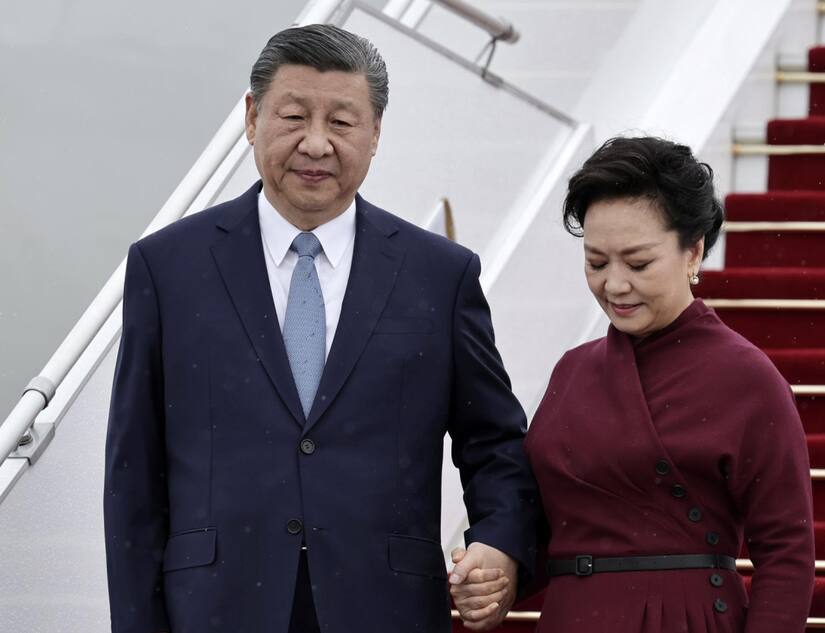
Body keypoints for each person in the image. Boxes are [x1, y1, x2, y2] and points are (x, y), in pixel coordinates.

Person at [103, 24, 538, 633]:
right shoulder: (168, 267)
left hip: (386, 608)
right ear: (253, 118)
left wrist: (499, 540)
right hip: (215, 607)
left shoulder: (440, 275)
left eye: (341, 122)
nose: (316, 144)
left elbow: (493, 441)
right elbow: (133, 473)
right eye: (293, 116)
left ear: (376, 132)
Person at [451, 136, 815, 631]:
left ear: (694, 251)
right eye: (596, 263)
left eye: (638, 264)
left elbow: (787, 554)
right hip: (571, 617)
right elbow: (548, 520)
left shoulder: (748, 378)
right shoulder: (573, 369)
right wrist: (500, 565)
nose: (615, 285)